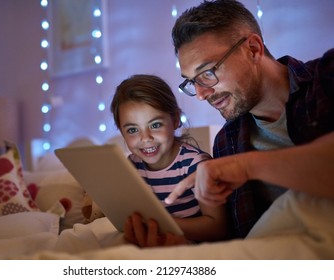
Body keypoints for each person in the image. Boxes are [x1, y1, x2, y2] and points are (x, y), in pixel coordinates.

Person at [126, 0, 334, 247]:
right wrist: (182, 249)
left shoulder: (326, 79)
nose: (202, 94)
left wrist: (245, 167)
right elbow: (238, 238)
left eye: (207, 72)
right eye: (192, 81)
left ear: (253, 49)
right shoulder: (228, 141)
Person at [110, 74, 228, 246]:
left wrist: (163, 225)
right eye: (133, 130)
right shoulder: (131, 167)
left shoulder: (196, 165)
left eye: (155, 125)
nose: (145, 138)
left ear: (175, 120)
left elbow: (218, 228)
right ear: (121, 132)